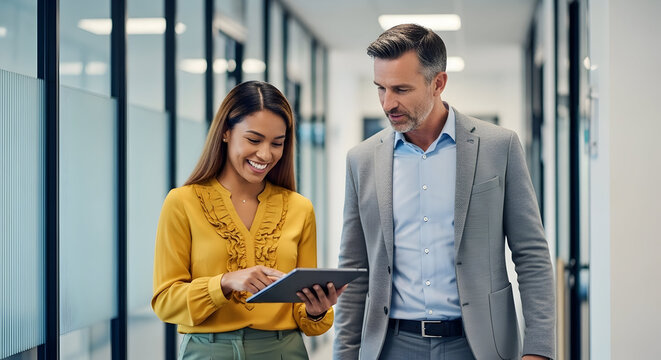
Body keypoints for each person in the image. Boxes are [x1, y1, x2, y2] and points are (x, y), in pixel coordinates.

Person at [333, 24, 555, 360]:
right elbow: (354, 269)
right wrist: (345, 354)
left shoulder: (498, 147)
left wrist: (538, 350)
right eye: (380, 88)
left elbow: (532, 255)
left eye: (401, 89)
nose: (387, 103)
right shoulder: (361, 160)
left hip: (479, 344)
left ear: (438, 83)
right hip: (392, 346)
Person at [152, 81, 343, 360]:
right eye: (254, 140)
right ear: (226, 132)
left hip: (284, 351)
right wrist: (225, 283)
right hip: (208, 352)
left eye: (277, 143)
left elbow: (304, 316)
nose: (265, 155)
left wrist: (316, 309)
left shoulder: (299, 208)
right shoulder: (182, 203)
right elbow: (165, 303)